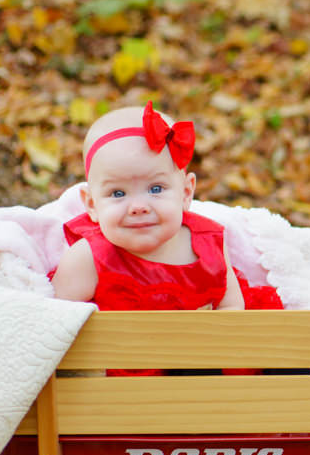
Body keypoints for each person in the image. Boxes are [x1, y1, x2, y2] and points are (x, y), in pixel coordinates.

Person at [52, 102, 249, 311]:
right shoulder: (88, 259)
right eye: (118, 193)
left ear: (185, 192)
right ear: (92, 204)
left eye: (156, 189)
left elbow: (232, 311)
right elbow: (58, 324)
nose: (138, 207)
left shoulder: (210, 245)